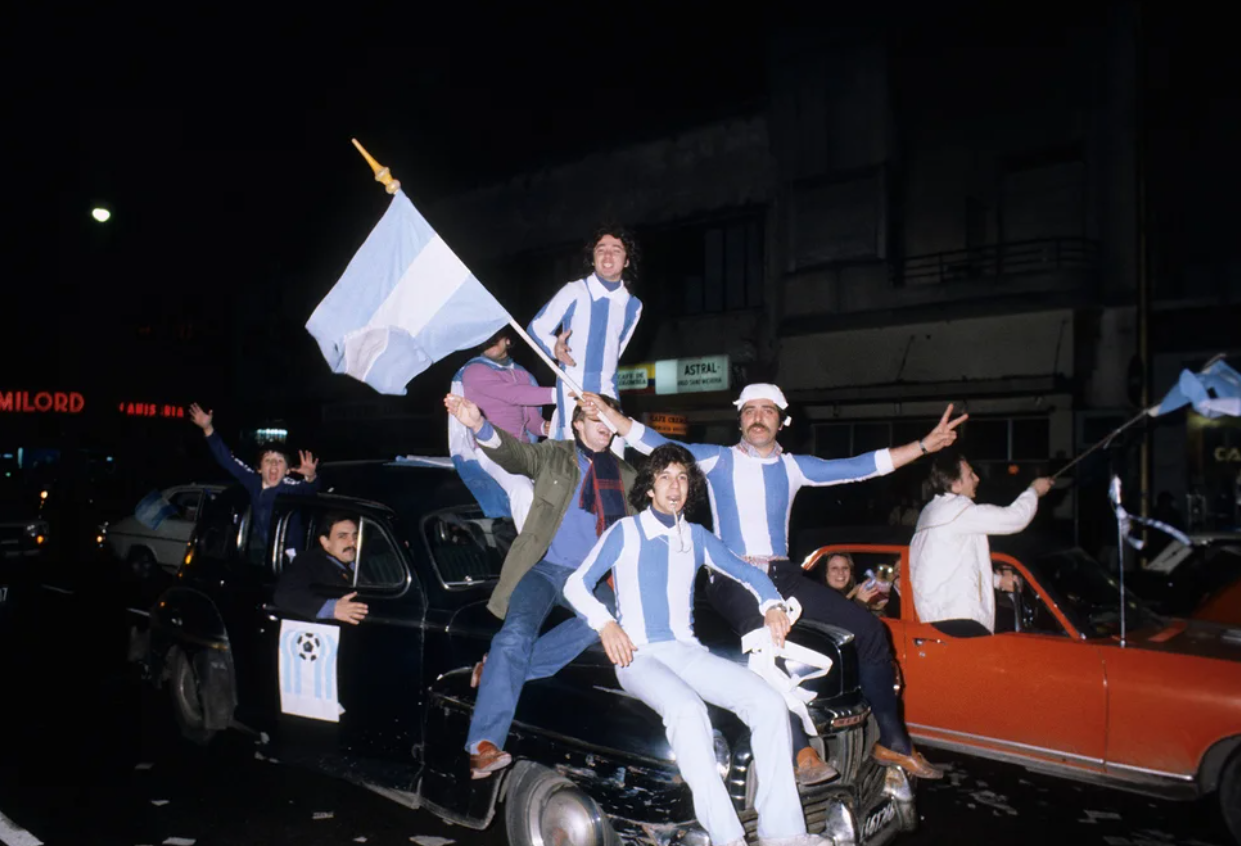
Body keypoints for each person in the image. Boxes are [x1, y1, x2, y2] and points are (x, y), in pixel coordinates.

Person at [580, 383, 965, 781]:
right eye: (749, 410)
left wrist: (923, 445)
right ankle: (801, 752)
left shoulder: (793, 467)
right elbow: (656, 444)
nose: (757, 417)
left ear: (782, 421)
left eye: (767, 410)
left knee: (869, 630)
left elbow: (857, 467)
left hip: (783, 575)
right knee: (768, 643)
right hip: (733, 576)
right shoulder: (719, 460)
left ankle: (894, 742)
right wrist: (609, 416)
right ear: (740, 419)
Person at [563, 444, 828, 846]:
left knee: (770, 704)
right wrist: (606, 624)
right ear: (649, 486)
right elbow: (575, 584)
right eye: (665, 477)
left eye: (683, 477)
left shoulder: (698, 537)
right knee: (688, 710)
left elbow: (746, 573)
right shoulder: (626, 531)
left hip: (687, 653)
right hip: (639, 656)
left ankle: (784, 833)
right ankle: (727, 838)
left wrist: (772, 604)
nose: (675, 485)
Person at [443, 390, 637, 780]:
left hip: (588, 579)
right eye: (593, 417)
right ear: (577, 424)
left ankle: (498, 670)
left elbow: (639, 535)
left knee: (608, 617)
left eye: (608, 417)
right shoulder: (554, 455)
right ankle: (482, 745)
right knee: (514, 634)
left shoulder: (627, 475)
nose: (602, 425)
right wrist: (478, 423)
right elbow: (514, 454)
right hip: (543, 568)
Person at [910, 451, 1052, 636]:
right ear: (955, 484)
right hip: (959, 622)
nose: (977, 478)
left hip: (940, 618)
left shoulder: (932, 513)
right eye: (970, 475)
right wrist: (1034, 491)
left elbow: (955, 569)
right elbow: (1015, 518)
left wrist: (999, 581)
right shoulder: (957, 511)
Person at [528, 227, 643, 448]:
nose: (608, 256)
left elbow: (617, 351)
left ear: (627, 260)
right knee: (573, 453)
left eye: (616, 250)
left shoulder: (634, 306)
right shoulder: (574, 291)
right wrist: (555, 348)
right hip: (573, 384)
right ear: (593, 258)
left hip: (608, 390)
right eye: (601, 249)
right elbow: (536, 327)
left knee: (613, 455)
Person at [449, 327, 555, 531]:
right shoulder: (474, 371)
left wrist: (545, 427)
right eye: (483, 340)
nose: (488, 343)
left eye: (493, 338)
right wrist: (561, 393)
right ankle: (530, 555)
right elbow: (513, 394)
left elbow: (532, 421)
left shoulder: (523, 374)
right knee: (523, 490)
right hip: (492, 449)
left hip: (526, 451)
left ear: (507, 340)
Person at [188, 403, 319, 549]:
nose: (274, 465)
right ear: (259, 468)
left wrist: (310, 477)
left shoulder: (289, 487)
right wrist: (208, 429)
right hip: (262, 549)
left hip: (287, 555)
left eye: (279, 461)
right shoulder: (253, 481)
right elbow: (228, 460)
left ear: (288, 470)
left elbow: (308, 492)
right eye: (268, 460)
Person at [273, 513, 369, 625]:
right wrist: (332, 608)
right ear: (325, 542)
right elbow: (285, 595)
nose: (352, 542)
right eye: (342, 536)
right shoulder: (308, 562)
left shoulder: (360, 562)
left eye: (355, 536)